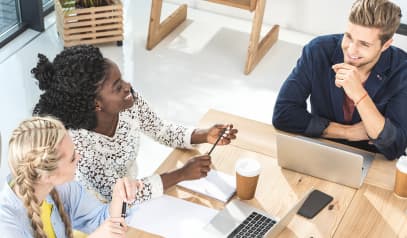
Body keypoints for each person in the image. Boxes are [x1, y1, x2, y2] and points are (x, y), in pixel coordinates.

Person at [32, 45, 238, 202]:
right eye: (117, 86)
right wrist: (181, 174)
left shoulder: (128, 102)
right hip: (99, 215)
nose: (127, 86)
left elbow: (161, 130)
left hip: (136, 196)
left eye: (122, 79)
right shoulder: (80, 146)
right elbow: (118, 195)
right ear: (96, 104)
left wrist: (205, 135)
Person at [272, 0, 406, 160]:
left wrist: (359, 95)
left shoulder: (402, 70)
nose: (351, 49)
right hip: (321, 149)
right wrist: (346, 132)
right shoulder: (318, 50)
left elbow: (396, 146)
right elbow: (283, 114)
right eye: (348, 37)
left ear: (385, 45)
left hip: (373, 160)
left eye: (364, 44)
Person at [0, 117, 142, 237]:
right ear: (48, 175)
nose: (79, 157)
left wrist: (119, 197)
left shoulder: (64, 188)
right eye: (72, 157)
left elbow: (102, 220)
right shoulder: (7, 226)